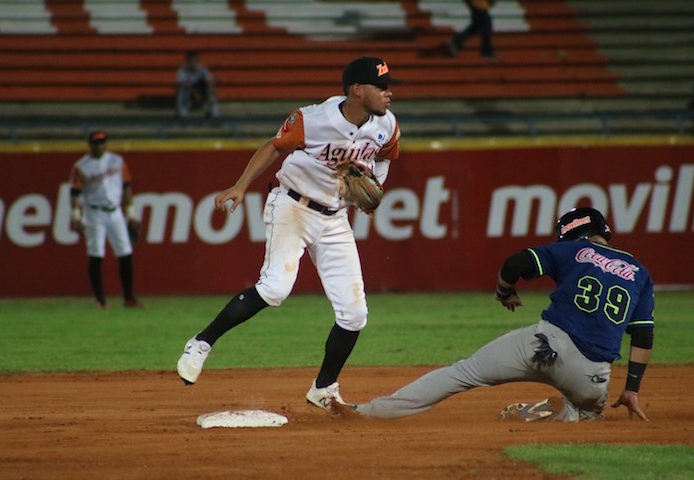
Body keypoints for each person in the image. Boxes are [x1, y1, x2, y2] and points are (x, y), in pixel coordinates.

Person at [176, 56, 403, 411]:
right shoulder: (313, 119)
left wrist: (375, 185)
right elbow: (273, 147)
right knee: (275, 289)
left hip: (334, 218)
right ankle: (201, 342)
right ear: (358, 90)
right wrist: (239, 186)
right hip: (293, 206)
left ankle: (323, 388)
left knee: (355, 313)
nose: (389, 93)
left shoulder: (386, 125)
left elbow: (387, 156)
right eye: (382, 86)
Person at [352, 207, 654, 422]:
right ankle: (574, 413)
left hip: (543, 346)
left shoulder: (572, 251)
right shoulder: (640, 272)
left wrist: (504, 291)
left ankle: (371, 412)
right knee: (588, 414)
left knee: (462, 372)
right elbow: (643, 335)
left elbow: (516, 263)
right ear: (603, 233)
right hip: (591, 375)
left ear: (570, 236)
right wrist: (631, 389)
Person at [69, 131, 144, 309]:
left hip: (115, 210)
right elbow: (74, 193)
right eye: (96, 143)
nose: (99, 146)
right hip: (93, 212)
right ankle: (100, 299)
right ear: (90, 145)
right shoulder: (81, 166)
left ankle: (128, 298)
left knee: (125, 252)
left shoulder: (117, 161)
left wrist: (131, 213)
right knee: (96, 254)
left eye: (102, 142)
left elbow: (126, 187)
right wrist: (76, 216)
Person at [176, 50, 220, 119]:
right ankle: (182, 113)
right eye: (190, 61)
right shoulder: (182, 70)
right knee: (181, 90)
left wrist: (209, 90)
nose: (192, 63)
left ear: (197, 61)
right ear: (187, 61)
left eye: (194, 61)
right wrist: (193, 91)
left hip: (201, 92)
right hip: (189, 93)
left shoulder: (203, 70)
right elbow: (180, 83)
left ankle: (214, 113)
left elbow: (209, 82)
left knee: (211, 89)